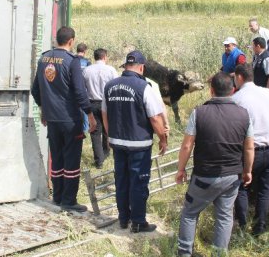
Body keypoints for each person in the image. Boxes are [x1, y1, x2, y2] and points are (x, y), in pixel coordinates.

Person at [176, 71, 254, 257]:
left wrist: (180, 169)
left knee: (189, 213)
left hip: (203, 175)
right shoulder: (243, 115)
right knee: (225, 216)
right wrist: (248, 171)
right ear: (232, 90)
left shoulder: (199, 112)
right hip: (231, 176)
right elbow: (249, 147)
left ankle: (184, 255)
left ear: (211, 91)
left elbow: (187, 145)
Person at [31, 27, 96, 212]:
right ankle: (69, 201)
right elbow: (79, 92)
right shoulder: (72, 61)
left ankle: (58, 196)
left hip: (51, 119)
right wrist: (90, 115)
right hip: (69, 119)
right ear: (71, 41)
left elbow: (35, 90)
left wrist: (44, 109)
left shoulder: (43, 59)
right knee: (71, 160)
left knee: (57, 158)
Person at [103, 51, 168, 233]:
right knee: (139, 182)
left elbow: (105, 114)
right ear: (141, 67)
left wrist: (110, 135)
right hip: (139, 144)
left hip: (118, 142)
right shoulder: (144, 87)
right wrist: (163, 138)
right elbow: (155, 118)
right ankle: (138, 222)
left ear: (126, 66)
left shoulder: (110, 86)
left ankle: (123, 218)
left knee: (121, 180)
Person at [231, 64, 269, 236]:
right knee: (264, 189)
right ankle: (260, 227)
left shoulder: (236, 99)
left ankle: (242, 226)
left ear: (239, 77)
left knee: (242, 187)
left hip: (249, 150)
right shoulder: (268, 93)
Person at [83, 48, 118, 169]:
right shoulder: (111, 70)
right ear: (105, 57)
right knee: (107, 128)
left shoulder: (87, 71)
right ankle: (106, 152)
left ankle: (99, 161)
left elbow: (82, 88)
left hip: (92, 103)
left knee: (95, 131)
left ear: (95, 57)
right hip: (108, 102)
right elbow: (116, 87)